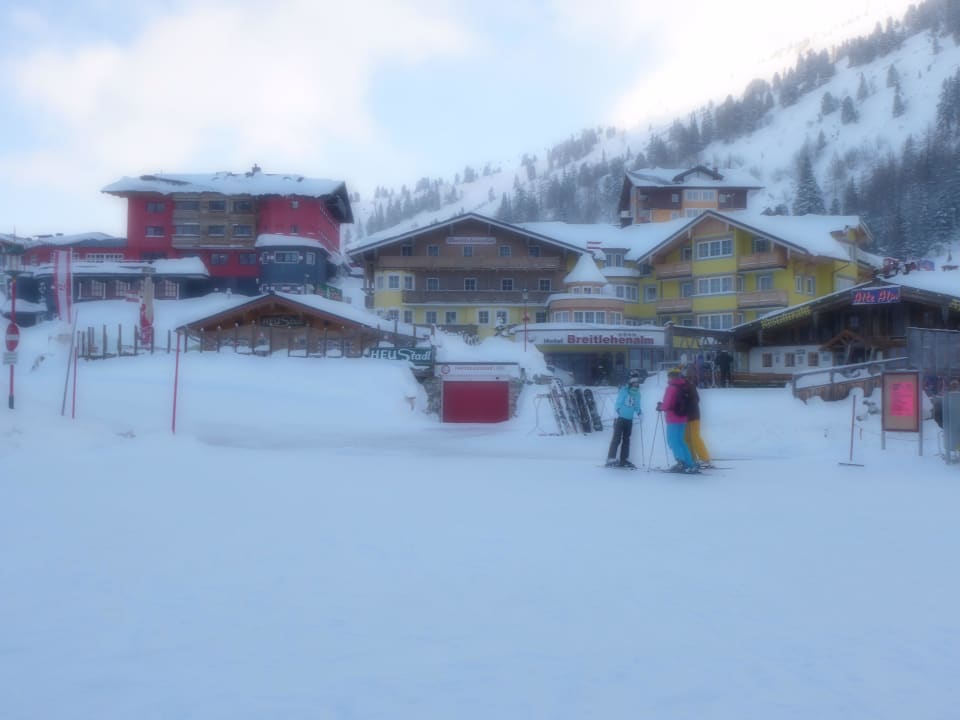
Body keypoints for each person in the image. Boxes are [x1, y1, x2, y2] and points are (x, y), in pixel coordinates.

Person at [657, 367, 698, 473]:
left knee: (673, 441)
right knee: (681, 441)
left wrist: (660, 407)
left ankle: (681, 462)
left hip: (673, 418)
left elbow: (666, 405)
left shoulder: (671, 388)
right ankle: (690, 463)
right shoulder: (684, 386)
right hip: (683, 418)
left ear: (670, 376)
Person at [606, 371, 643, 468]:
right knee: (616, 439)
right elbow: (618, 402)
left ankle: (624, 459)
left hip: (629, 420)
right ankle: (611, 458)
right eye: (634, 381)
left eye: (637, 381)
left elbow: (637, 405)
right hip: (620, 418)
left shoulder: (637, 394)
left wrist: (639, 413)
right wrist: (617, 411)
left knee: (626, 440)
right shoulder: (624, 390)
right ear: (630, 382)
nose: (636, 383)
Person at [684, 368, 713, 468]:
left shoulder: (689, 386)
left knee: (695, 437)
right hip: (689, 416)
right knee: (688, 438)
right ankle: (693, 458)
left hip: (693, 416)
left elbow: (694, 401)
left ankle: (705, 458)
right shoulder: (688, 386)